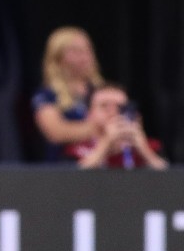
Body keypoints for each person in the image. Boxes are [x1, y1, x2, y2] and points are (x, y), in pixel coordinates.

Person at [32, 26, 104, 161]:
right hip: (66, 169)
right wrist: (102, 129)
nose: (85, 56)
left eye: (87, 49)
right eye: (76, 51)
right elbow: (55, 132)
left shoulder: (102, 91)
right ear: (57, 57)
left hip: (105, 167)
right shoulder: (47, 95)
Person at [66, 83, 168, 170]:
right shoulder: (76, 150)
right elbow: (68, 184)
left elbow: (171, 183)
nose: (113, 112)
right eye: (104, 106)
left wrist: (145, 152)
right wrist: (106, 144)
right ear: (89, 115)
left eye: (120, 107)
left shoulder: (151, 147)